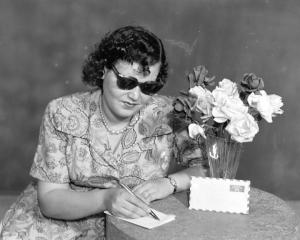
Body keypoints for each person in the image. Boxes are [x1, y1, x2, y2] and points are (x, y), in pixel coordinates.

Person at [0, 25, 206, 239]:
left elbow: (210, 170)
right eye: (127, 82)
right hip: (60, 218)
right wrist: (105, 199)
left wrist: (169, 184)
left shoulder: (169, 113)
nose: (135, 96)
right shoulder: (62, 112)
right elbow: (51, 200)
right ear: (103, 69)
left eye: (148, 88)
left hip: (134, 224)